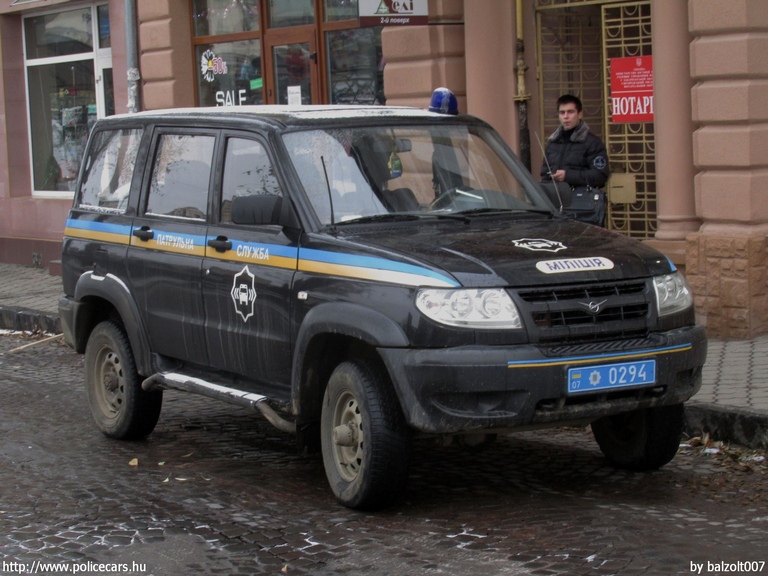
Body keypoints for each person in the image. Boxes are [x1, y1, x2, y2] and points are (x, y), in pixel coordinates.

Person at [540, 94, 610, 189]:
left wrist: (568, 176)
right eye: (562, 112)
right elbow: (544, 174)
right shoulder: (553, 143)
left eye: (570, 112)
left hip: (581, 200)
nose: (566, 116)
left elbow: (600, 176)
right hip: (554, 200)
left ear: (580, 114)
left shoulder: (592, 143)